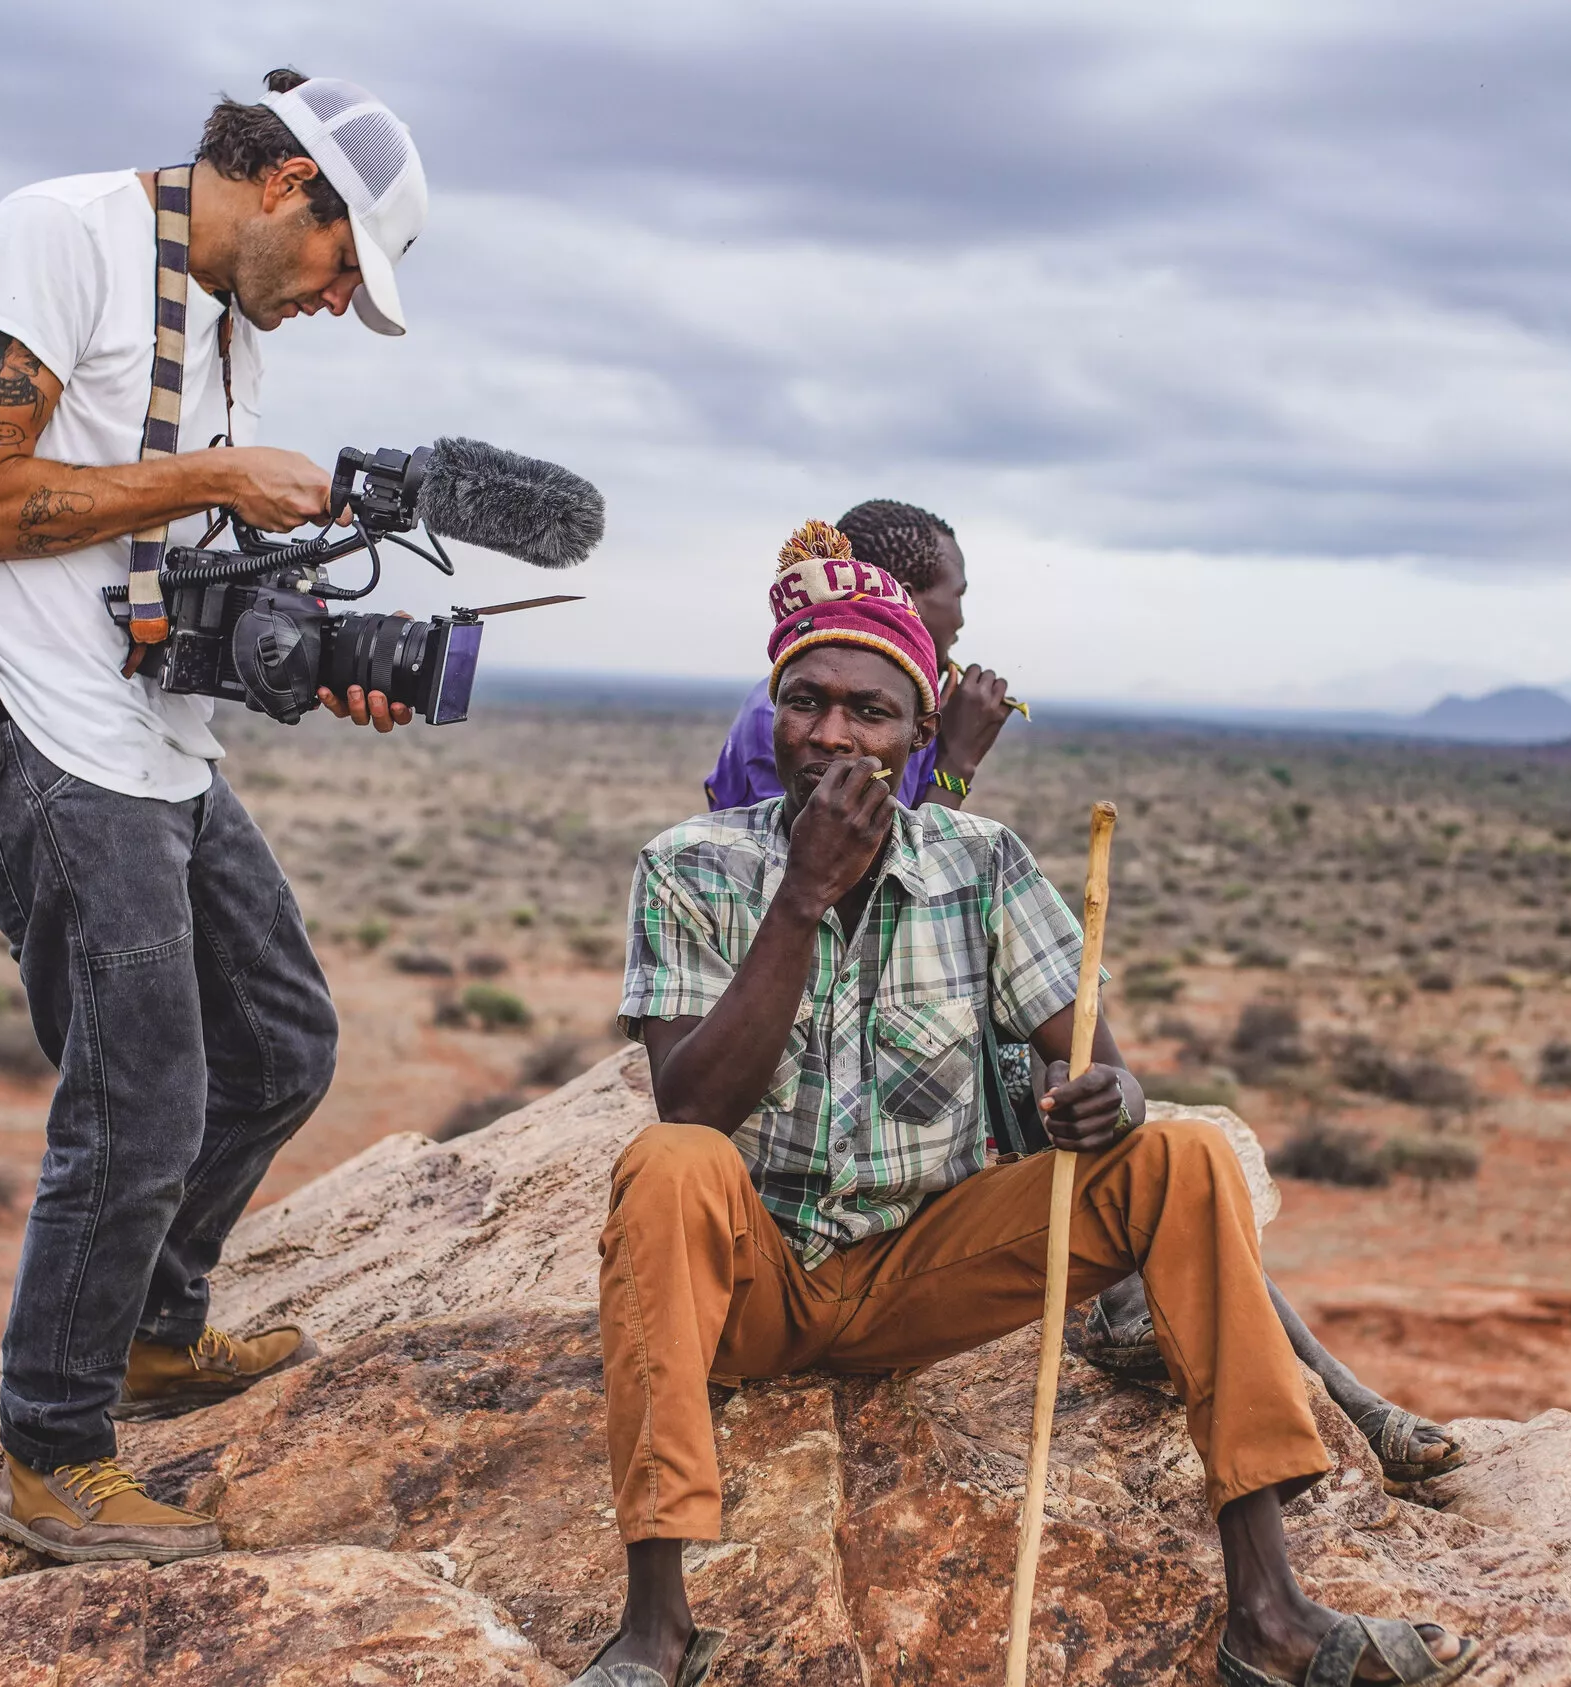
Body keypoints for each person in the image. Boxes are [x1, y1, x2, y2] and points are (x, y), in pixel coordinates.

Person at [582, 521, 1480, 1687]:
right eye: (808, 702)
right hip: (756, 1286)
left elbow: (1102, 1064)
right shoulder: (691, 865)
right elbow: (691, 1105)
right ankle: (656, 1627)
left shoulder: (982, 862)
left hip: (923, 1276)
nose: (834, 735)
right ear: (775, 711)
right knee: (667, 1167)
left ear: (916, 735)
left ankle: (1269, 1609)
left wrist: (1107, 1096)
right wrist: (801, 896)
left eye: (871, 711)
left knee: (1190, 1157)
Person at [0, 69, 432, 1567]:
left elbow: (171, 590)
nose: (339, 298)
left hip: (157, 736)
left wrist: (317, 657)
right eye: (344, 263)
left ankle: (147, 1325)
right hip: (42, 732)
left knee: (282, 1042)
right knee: (139, 1095)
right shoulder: (55, 237)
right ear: (286, 189)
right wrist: (214, 472)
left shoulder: (228, 338)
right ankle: (52, 1449)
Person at [703, 499, 1017, 811]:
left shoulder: (900, 716)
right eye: (957, 595)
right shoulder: (783, 722)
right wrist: (956, 760)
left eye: (871, 711)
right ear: (909, 601)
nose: (960, 619)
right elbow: (829, 854)